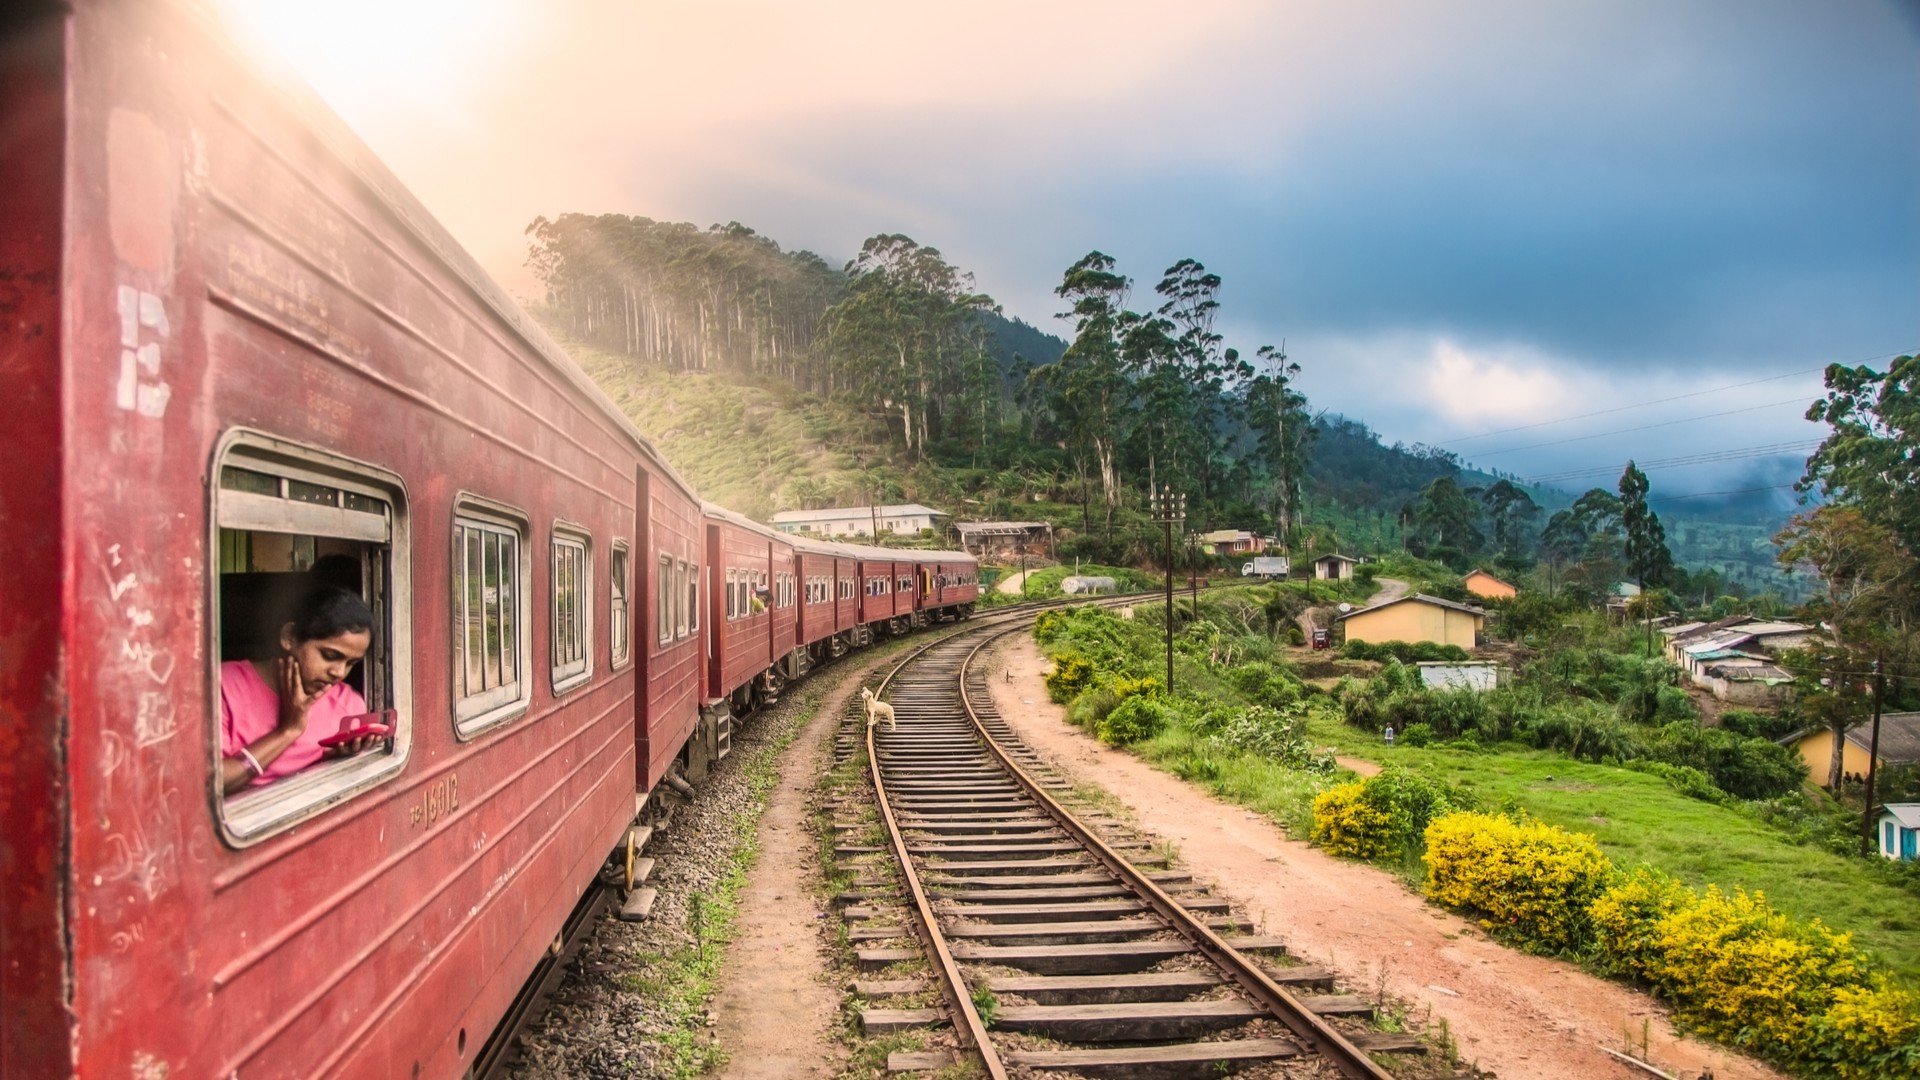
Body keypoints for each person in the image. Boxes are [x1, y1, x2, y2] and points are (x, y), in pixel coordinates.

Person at [221, 584, 381, 795]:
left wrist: (336, 762)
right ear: (289, 637)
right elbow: (209, 784)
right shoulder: (224, 686)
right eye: (330, 656)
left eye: (351, 663)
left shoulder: (348, 705)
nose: (339, 673)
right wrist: (288, 731)